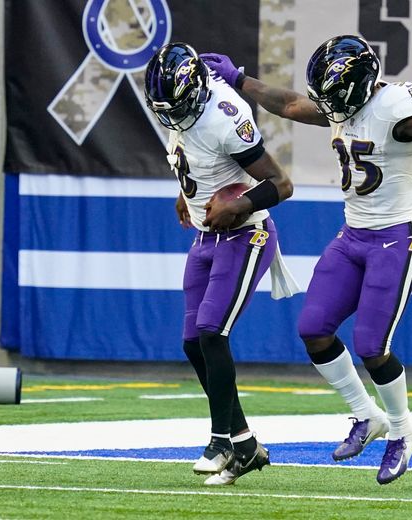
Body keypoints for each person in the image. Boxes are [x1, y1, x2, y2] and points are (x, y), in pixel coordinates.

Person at [202, 35, 412, 484]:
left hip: (395, 240)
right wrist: (239, 80)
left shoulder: (396, 108)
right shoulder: (343, 103)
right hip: (352, 236)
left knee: (372, 345)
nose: (329, 106)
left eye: (334, 97)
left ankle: (403, 431)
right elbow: (293, 105)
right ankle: (365, 415)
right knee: (313, 329)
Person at [144, 42, 294, 485]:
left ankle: (220, 441)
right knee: (193, 342)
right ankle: (246, 445)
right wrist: (186, 193)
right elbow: (192, 155)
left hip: (247, 234)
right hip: (208, 235)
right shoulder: (183, 106)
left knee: (212, 331)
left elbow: (282, 185)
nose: (171, 115)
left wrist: (238, 205)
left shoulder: (225, 115)